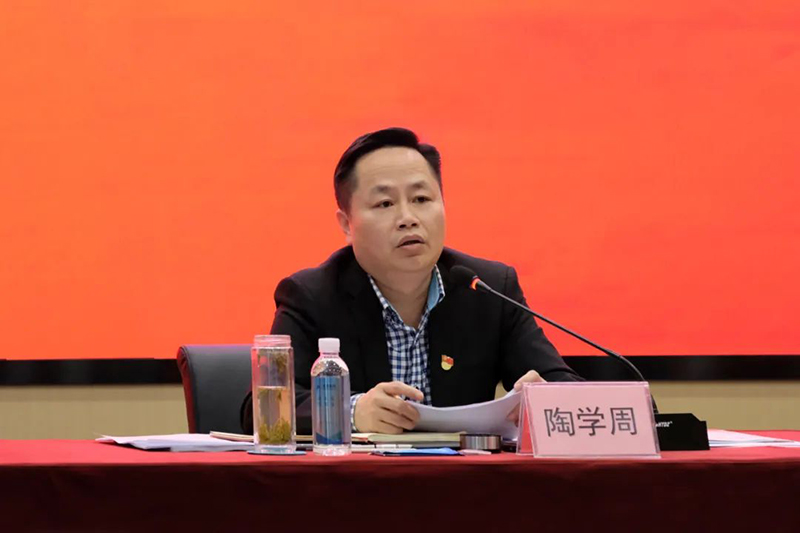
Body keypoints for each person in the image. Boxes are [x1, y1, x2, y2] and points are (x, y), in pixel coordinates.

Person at [241, 127, 582, 435]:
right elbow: (260, 409)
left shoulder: (488, 288)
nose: (408, 218)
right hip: (358, 481)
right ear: (346, 225)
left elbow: (563, 385)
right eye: (385, 203)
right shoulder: (311, 296)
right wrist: (352, 411)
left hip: (463, 480)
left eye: (421, 199)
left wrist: (545, 398)